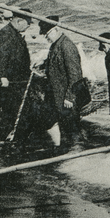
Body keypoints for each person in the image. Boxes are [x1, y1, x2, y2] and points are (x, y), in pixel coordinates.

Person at [39, 15, 85, 149]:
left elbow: (76, 75)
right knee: (65, 126)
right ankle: (68, 152)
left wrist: (70, 97)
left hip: (67, 98)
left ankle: (76, 155)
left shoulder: (67, 46)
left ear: (57, 29)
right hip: (59, 96)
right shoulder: (57, 44)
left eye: (47, 33)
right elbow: (56, 63)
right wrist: (43, 64)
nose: (46, 37)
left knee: (71, 127)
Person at [0, 7, 33, 142]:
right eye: (28, 23)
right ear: (20, 21)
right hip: (10, 82)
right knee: (11, 110)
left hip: (17, 80)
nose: (29, 26)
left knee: (14, 110)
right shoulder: (7, 34)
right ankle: (4, 138)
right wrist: (2, 76)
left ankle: (9, 136)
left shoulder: (12, 33)